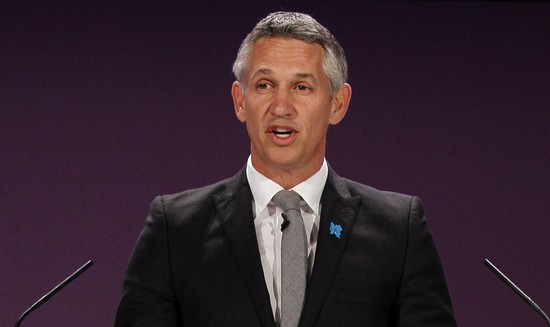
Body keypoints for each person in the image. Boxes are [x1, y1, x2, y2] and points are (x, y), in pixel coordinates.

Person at [115, 11, 456, 327]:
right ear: (239, 100)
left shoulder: (399, 231)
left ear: (338, 104)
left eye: (302, 87)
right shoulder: (175, 231)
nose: (281, 107)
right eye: (264, 85)